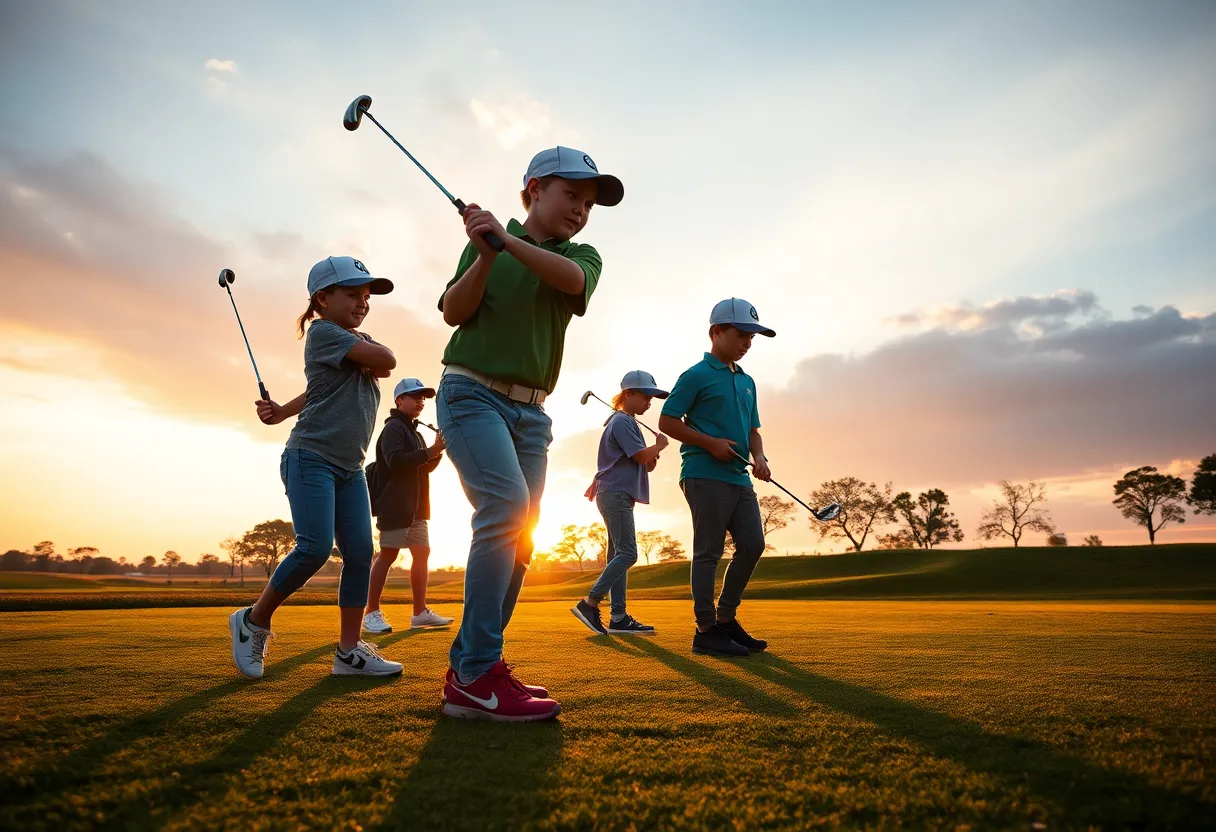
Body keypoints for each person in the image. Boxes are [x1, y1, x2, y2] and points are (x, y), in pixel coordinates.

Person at [436, 146, 624, 721]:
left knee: (522, 541)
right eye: (572, 195)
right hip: (471, 392)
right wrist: (487, 254)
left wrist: (508, 242)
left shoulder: (581, 255)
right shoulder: (485, 241)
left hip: (533, 415)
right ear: (536, 188)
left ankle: (475, 668)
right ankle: (474, 673)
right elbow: (452, 310)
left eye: (589, 203)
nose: (581, 211)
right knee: (507, 508)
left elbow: (568, 279)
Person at [229, 256, 404, 679]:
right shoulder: (324, 332)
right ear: (322, 298)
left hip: (350, 467)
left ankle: (348, 652)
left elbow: (325, 386)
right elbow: (389, 359)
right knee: (314, 547)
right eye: (352, 294)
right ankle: (253, 620)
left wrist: (282, 411)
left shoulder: (350, 338)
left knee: (361, 552)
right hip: (311, 457)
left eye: (366, 297)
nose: (363, 303)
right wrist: (371, 354)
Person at [657, 298, 777, 658]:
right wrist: (709, 443)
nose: (747, 343)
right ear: (716, 332)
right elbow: (667, 421)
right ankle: (705, 630)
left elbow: (754, 430)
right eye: (741, 335)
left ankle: (725, 619)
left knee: (753, 544)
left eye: (752, 338)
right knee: (708, 552)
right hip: (702, 473)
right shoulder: (695, 375)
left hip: (739, 476)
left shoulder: (747, 381)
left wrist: (760, 456)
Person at [571, 371, 669, 636]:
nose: (649, 402)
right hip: (615, 493)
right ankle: (589, 603)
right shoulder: (623, 421)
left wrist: (652, 455)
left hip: (616, 493)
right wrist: (658, 446)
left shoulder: (627, 422)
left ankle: (619, 617)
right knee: (628, 553)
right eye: (645, 396)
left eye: (652, 397)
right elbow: (639, 456)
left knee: (618, 555)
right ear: (628, 395)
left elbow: (643, 464)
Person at [363, 377, 454, 633]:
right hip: (395, 504)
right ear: (400, 400)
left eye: (423, 398)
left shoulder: (414, 431)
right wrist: (432, 449)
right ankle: (371, 613)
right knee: (389, 555)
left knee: (422, 553)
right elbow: (396, 461)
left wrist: (438, 451)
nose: (421, 402)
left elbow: (423, 468)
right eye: (415, 397)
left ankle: (419, 613)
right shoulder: (393, 428)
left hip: (416, 506)